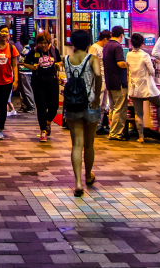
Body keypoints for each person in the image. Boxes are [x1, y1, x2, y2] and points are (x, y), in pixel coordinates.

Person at [63, 29, 103, 197]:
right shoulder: (92, 58)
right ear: (88, 43)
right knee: (89, 144)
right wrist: (97, 95)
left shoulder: (66, 59)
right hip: (90, 102)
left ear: (72, 42)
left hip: (72, 104)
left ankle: (78, 183)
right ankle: (88, 175)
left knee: (76, 144)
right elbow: (99, 75)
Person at [22, 32, 61, 142]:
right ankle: (43, 130)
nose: (43, 45)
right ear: (37, 43)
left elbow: (59, 61)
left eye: (45, 43)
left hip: (53, 82)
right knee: (41, 107)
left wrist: (58, 65)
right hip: (38, 83)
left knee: (54, 106)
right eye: (41, 43)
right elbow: (24, 63)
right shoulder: (34, 51)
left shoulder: (54, 50)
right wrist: (33, 67)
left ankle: (48, 122)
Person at [126, 33, 160, 144]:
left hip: (134, 87)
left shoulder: (128, 55)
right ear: (142, 44)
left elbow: (128, 69)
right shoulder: (145, 55)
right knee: (159, 104)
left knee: (138, 113)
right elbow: (152, 71)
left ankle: (141, 137)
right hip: (147, 87)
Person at [102, 25, 129, 140]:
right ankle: (115, 134)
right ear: (122, 36)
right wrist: (128, 64)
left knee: (113, 108)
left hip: (110, 81)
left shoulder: (106, 45)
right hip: (118, 82)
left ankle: (113, 131)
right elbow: (120, 63)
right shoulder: (117, 46)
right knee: (119, 109)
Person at [91, 30, 111, 134]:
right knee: (98, 101)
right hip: (98, 79)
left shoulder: (104, 48)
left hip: (105, 78)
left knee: (104, 104)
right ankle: (95, 125)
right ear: (105, 39)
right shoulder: (94, 48)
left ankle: (100, 124)